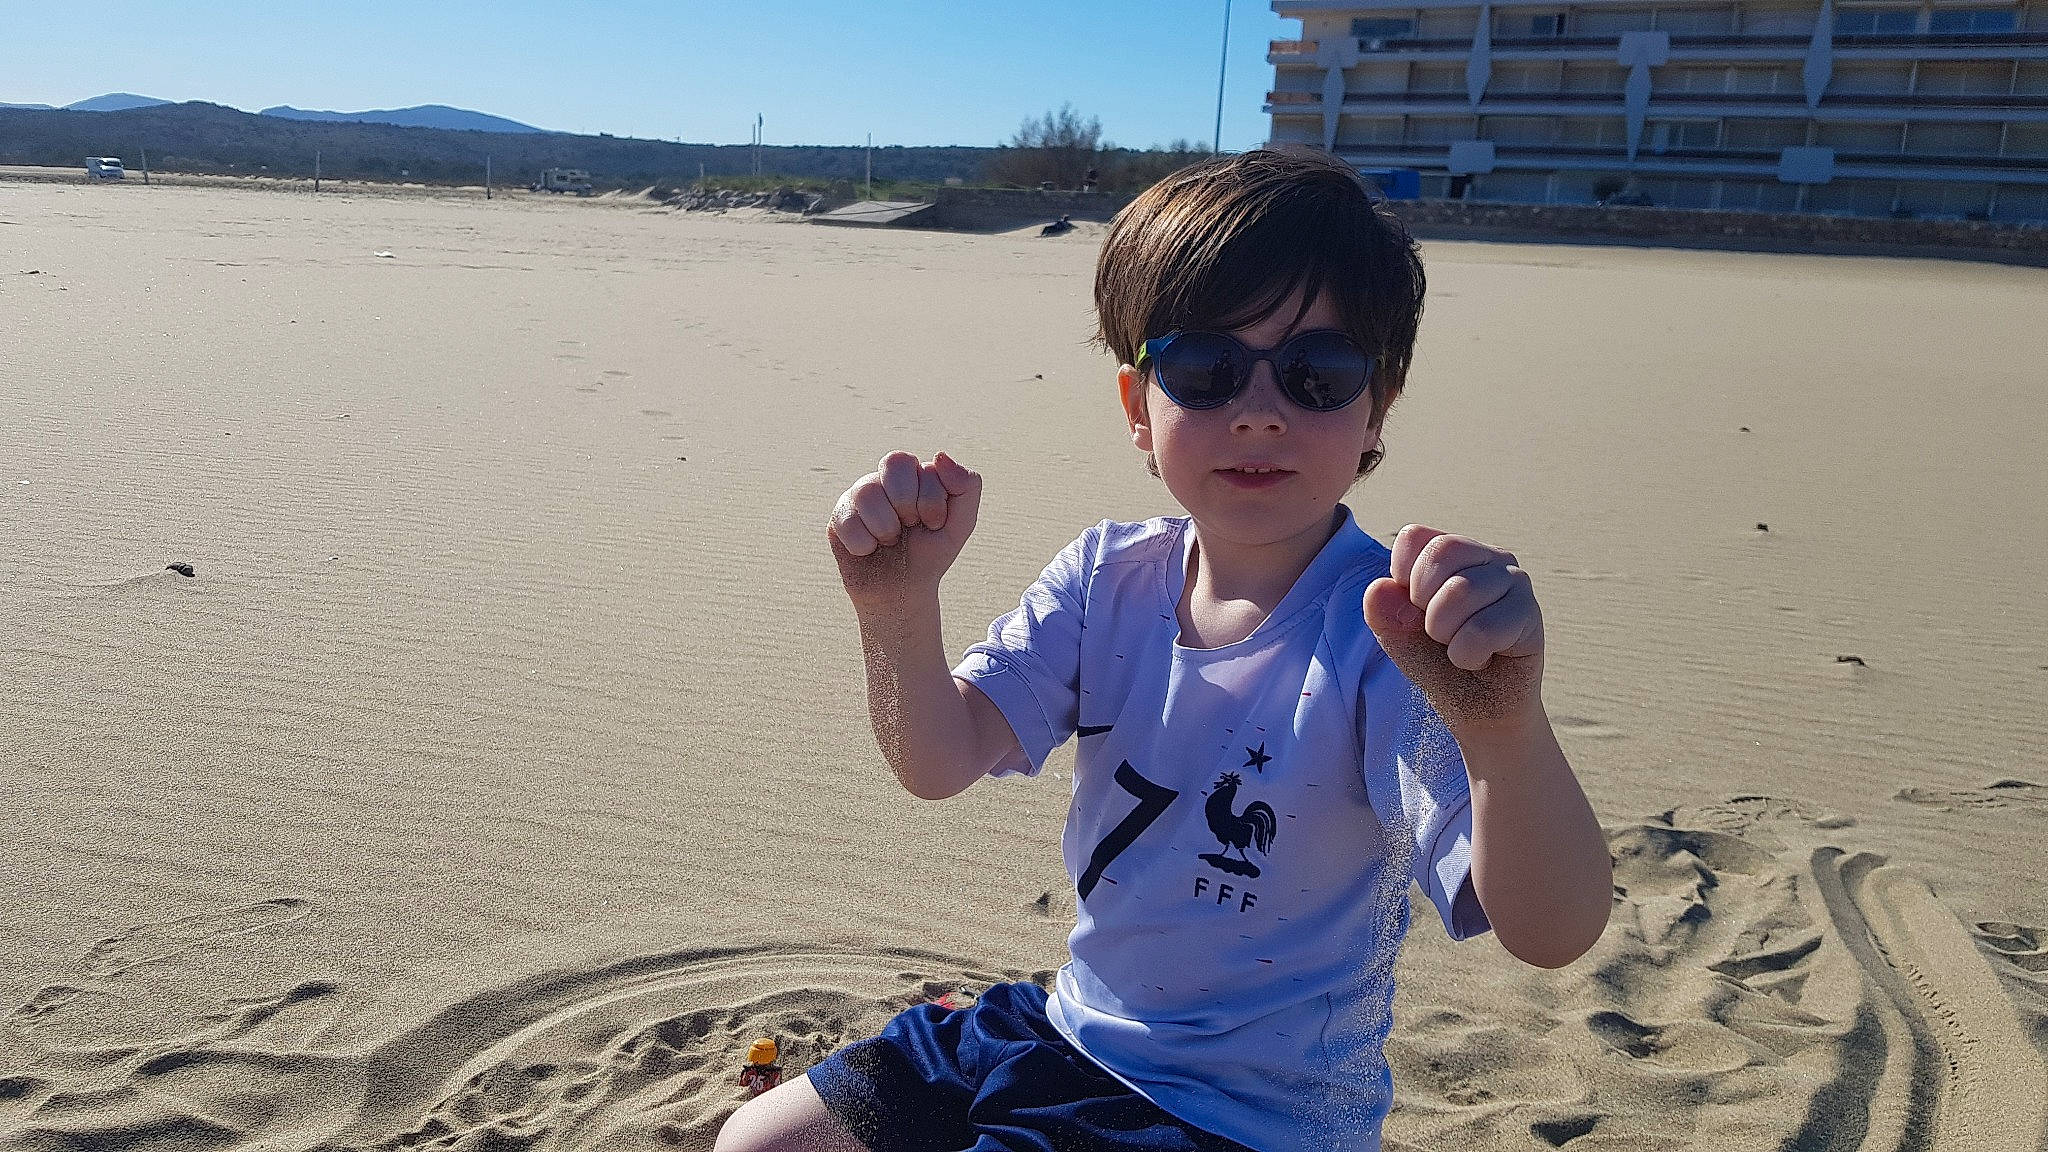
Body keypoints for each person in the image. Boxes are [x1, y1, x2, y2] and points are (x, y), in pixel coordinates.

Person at [715, 147, 1612, 1152]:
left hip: (1239, 1117)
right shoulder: (1107, 576)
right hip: (1066, 1028)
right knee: (759, 1142)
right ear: (1139, 407)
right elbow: (938, 758)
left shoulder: (1390, 640)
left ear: (1375, 409)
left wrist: (1500, 729)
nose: (1259, 409)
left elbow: (1550, 928)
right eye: (1204, 369)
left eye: (1316, 374)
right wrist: (893, 606)